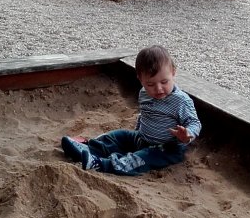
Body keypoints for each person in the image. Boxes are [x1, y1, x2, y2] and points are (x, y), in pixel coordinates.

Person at [61, 45, 201, 176]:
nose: (158, 89)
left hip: (168, 148)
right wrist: (138, 130)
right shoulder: (144, 93)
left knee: (141, 158)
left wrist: (187, 134)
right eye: (150, 84)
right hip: (143, 138)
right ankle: (89, 149)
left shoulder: (181, 101)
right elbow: (145, 114)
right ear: (140, 79)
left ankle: (101, 164)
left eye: (164, 82)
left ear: (173, 72)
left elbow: (194, 122)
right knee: (118, 135)